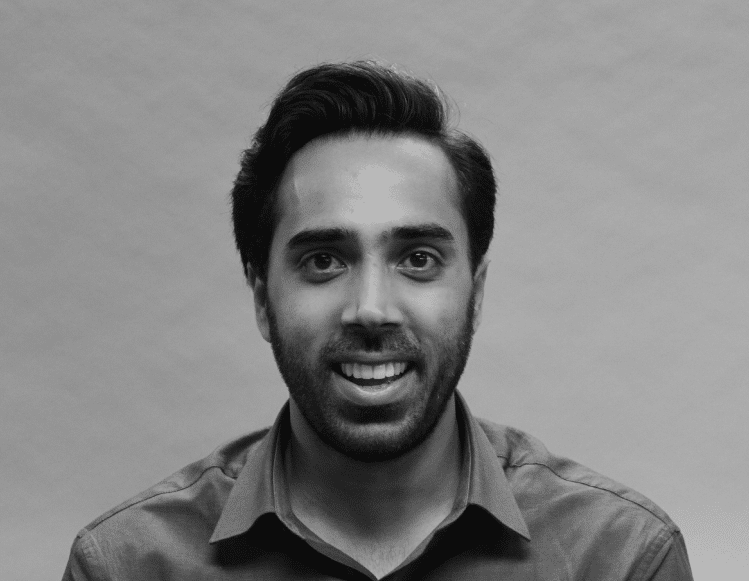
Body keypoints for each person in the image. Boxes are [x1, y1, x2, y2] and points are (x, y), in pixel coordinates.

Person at [63, 61, 693, 580]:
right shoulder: (126, 565)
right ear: (262, 297)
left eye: (418, 259)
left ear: (474, 294)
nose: (371, 308)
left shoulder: (620, 557)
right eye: (323, 260)